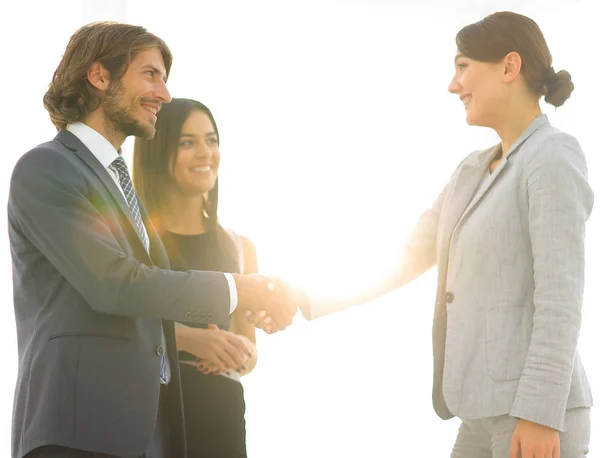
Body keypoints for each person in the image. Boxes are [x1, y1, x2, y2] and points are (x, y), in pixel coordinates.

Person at [289, 11, 593, 457]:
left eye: (463, 66)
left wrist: (541, 413)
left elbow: (560, 299)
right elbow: (406, 256)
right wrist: (300, 296)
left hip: (533, 415)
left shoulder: (552, 156)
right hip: (480, 410)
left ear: (510, 67)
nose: (454, 85)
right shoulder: (471, 170)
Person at [8, 22, 297, 458]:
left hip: (145, 438)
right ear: (99, 75)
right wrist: (240, 289)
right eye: (150, 75)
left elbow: (148, 303)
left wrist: (246, 304)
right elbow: (116, 284)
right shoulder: (46, 168)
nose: (163, 93)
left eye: (164, 79)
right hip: (77, 433)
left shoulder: (124, 194)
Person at [133, 98, 257, 458]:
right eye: (187, 142)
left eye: (211, 139)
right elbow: (116, 328)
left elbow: (248, 352)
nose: (205, 152)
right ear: (159, 151)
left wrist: (237, 353)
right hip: (155, 418)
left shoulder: (240, 247)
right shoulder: (137, 241)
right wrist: (188, 340)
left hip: (223, 422)